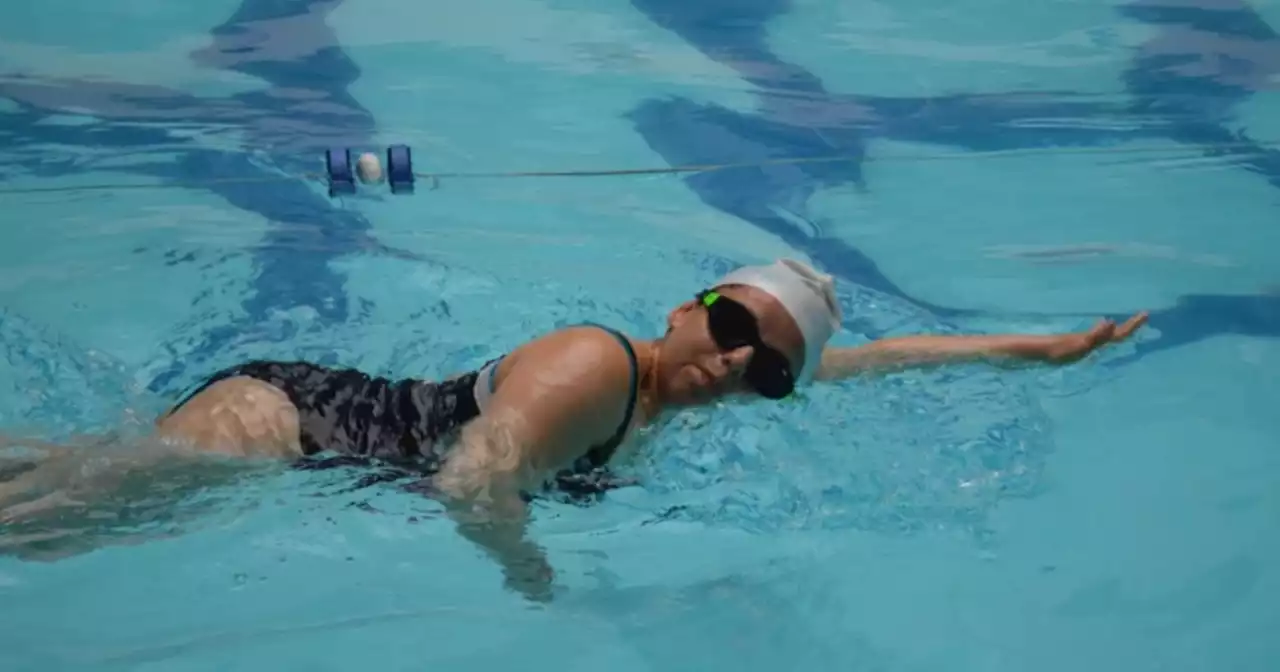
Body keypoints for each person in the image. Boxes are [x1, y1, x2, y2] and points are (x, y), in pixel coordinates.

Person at [0, 258, 1147, 600]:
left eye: (770, 374)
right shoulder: (594, 367)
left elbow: (870, 362)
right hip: (282, 427)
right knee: (46, 531)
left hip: (302, 429)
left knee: (51, 491)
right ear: (687, 308)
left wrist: (1041, 348)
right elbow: (468, 481)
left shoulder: (677, 385)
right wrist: (527, 569)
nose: (742, 367)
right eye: (736, 328)